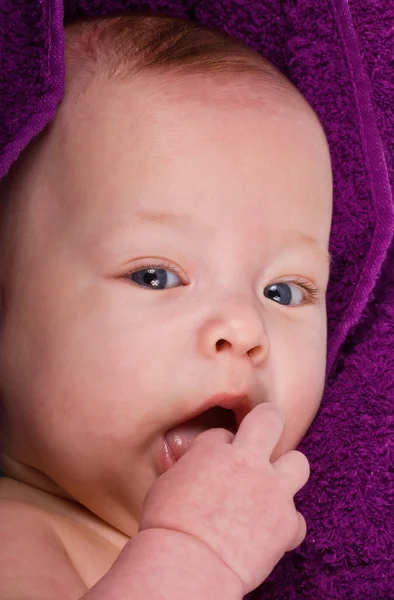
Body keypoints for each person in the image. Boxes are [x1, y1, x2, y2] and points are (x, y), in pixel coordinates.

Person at [0, 11, 333, 599]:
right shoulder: (16, 536)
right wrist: (196, 555)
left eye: (284, 291)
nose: (244, 328)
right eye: (155, 276)